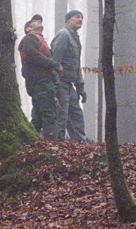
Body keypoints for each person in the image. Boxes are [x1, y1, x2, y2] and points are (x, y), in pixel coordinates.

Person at [18, 14, 60, 138]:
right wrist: (54, 64)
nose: (38, 21)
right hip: (40, 81)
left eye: (40, 20)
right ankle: (52, 145)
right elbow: (32, 55)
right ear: (28, 29)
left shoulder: (40, 40)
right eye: (35, 21)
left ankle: (32, 141)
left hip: (43, 82)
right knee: (49, 113)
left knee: (38, 116)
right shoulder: (29, 38)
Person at [50, 10, 87, 141]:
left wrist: (80, 88)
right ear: (68, 20)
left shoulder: (75, 38)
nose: (80, 19)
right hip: (60, 83)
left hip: (69, 85)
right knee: (61, 117)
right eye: (77, 17)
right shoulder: (63, 35)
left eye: (82, 17)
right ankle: (58, 146)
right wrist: (54, 85)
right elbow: (54, 61)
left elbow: (76, 65)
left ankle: (81, 145)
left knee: (76, 115)